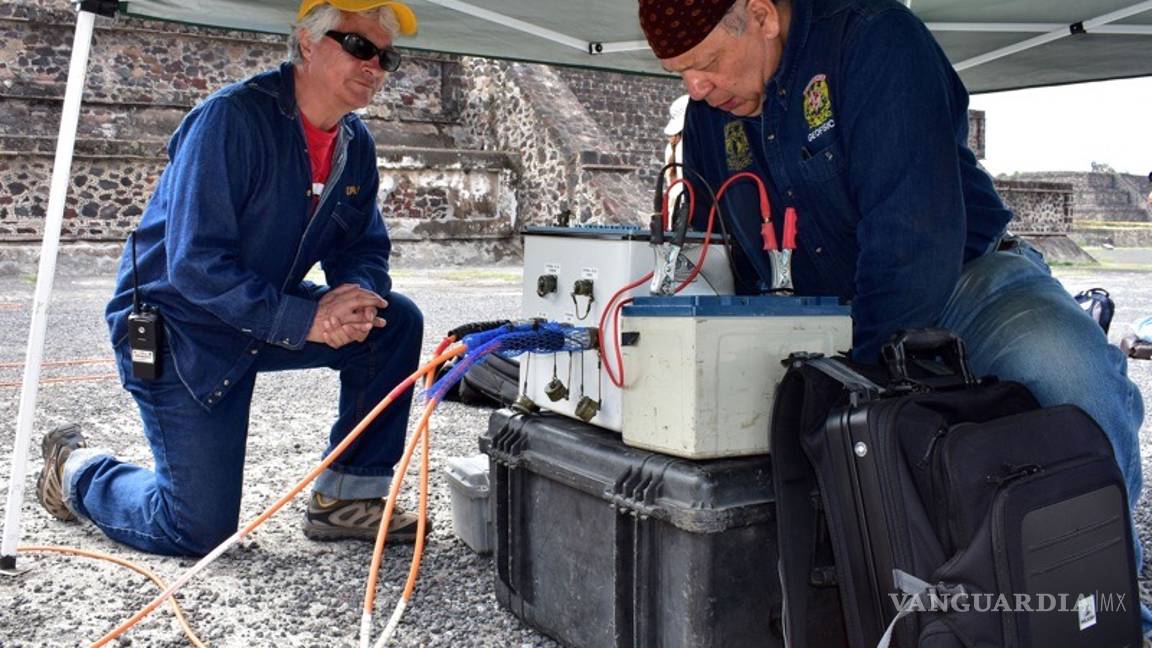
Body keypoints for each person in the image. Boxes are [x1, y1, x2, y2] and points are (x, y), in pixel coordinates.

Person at [637, 0, 1149, 634]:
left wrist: (861, 385)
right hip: (813, 315)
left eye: (707, 63)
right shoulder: (708, 117)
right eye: (680, 73)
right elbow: (718, 251)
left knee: (1075, 376)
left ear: (762, 15)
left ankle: (1107, 615)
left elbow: (912, 236)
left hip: (962, 280)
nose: (696, 88)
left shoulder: (874, 41)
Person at [35, 0, 426, 557]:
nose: (375, 66)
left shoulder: (354, 144)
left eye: (387, 57)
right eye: (359, 46)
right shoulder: (231, 120)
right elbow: (193, 264)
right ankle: (75, 471)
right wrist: (306, 318)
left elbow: (362, 243)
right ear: (309, 43)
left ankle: (348, 498)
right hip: (180, 328)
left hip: (255, 314)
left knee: (392, 322)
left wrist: (356, 298)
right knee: (197, 532)